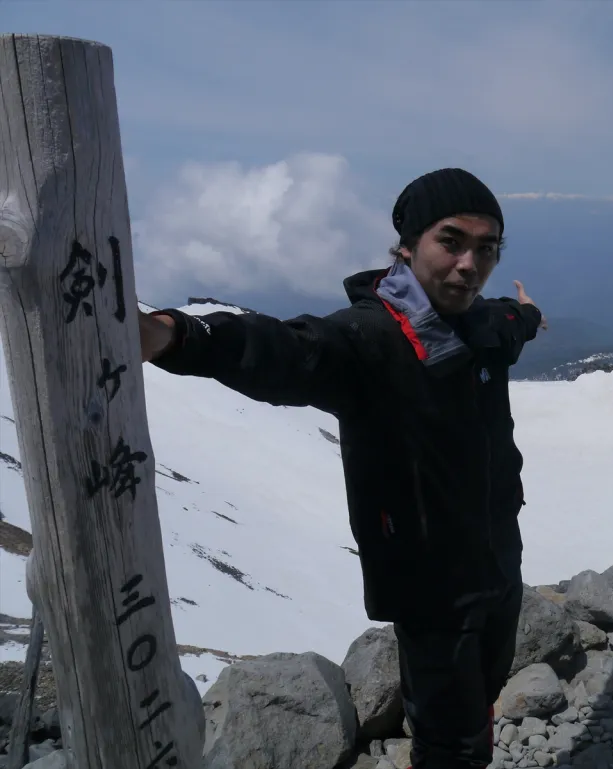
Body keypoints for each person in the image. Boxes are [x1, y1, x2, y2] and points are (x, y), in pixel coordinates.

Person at [138, 167, 546, 769]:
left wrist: (527, 316)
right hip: (428, 583)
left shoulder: (482, 325)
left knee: (480, 692)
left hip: (497, 557)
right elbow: (290, 352)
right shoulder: (368, 339)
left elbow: (507, 328)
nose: (470, 263)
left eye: (487, 249)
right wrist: (178, 337)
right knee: (449, 743)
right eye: (451, 241)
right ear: (407, 248)